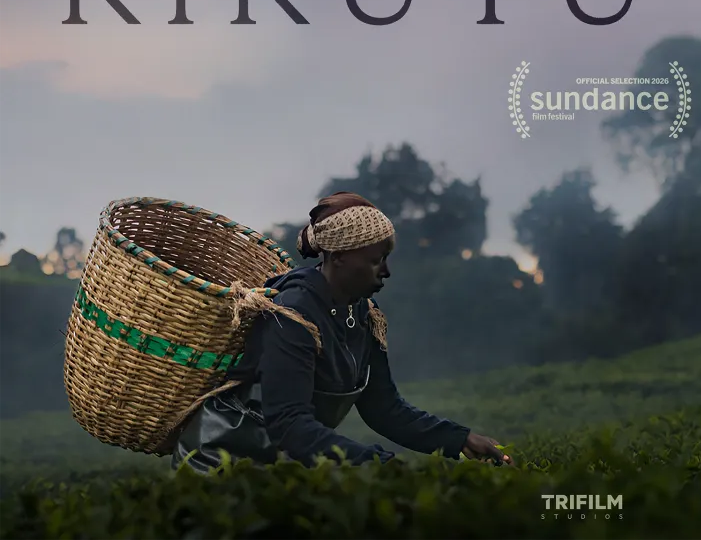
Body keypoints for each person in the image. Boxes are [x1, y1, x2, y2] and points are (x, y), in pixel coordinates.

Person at [172, 191, 512, 472]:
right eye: (376, 260)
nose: (386, 271)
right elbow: (289, 423)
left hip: (279, 465)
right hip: (220, 464)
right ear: (339, 257)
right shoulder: (292, 314)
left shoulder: (364, 316)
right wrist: (378, 463)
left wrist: (459, 439)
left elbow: (384, 408)